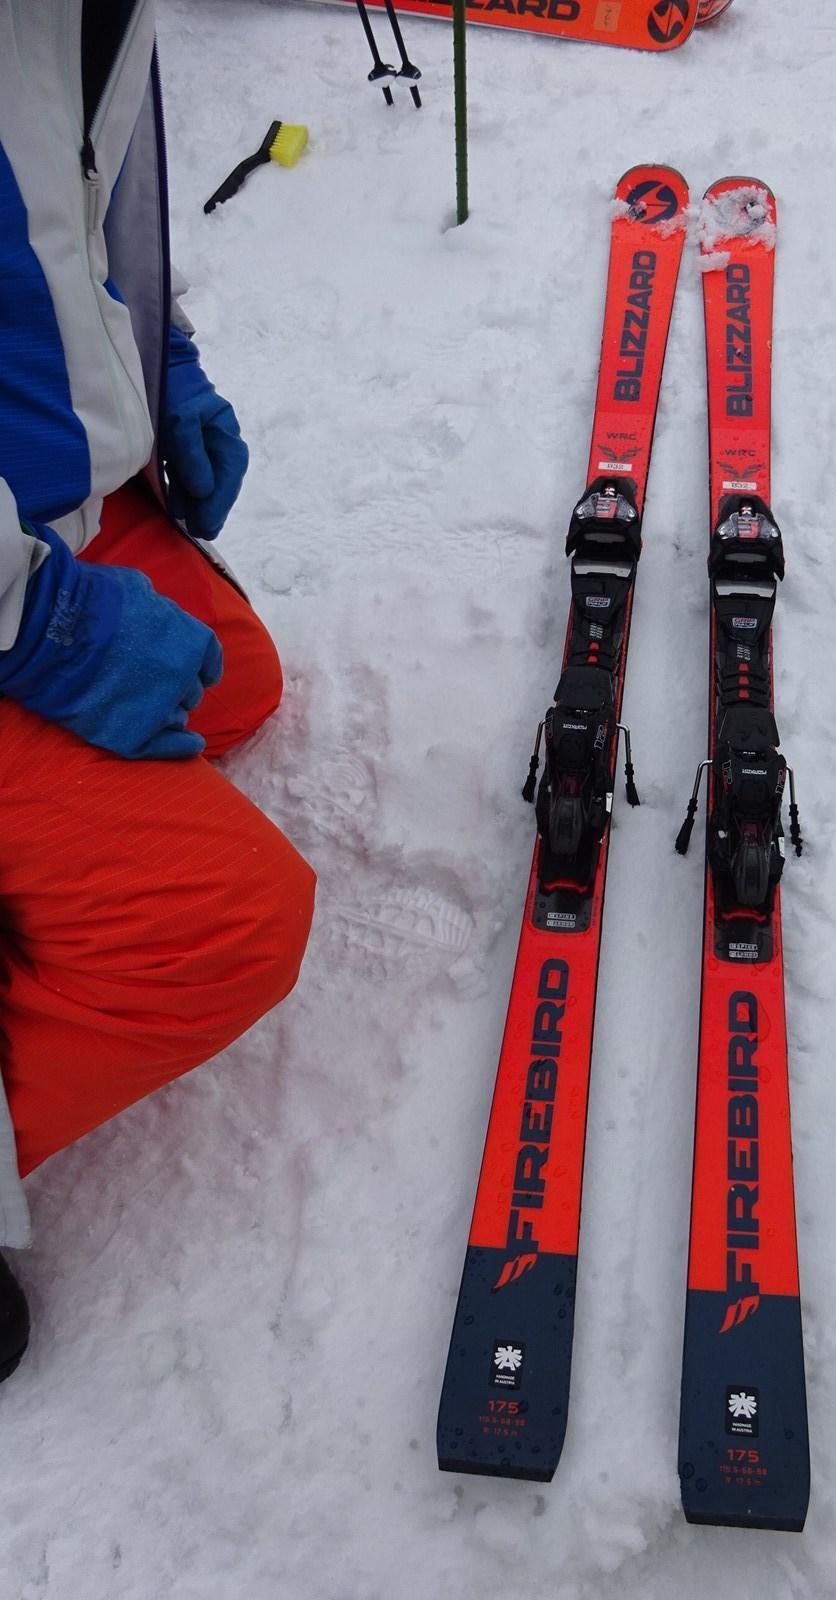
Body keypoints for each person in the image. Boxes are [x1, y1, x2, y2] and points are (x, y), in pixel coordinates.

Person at [0, 2, 317, 1382]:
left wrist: (159, 359)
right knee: (216, 923)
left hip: (31, 499)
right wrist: (40, 622)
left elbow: (69, 205)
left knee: (230, 683)